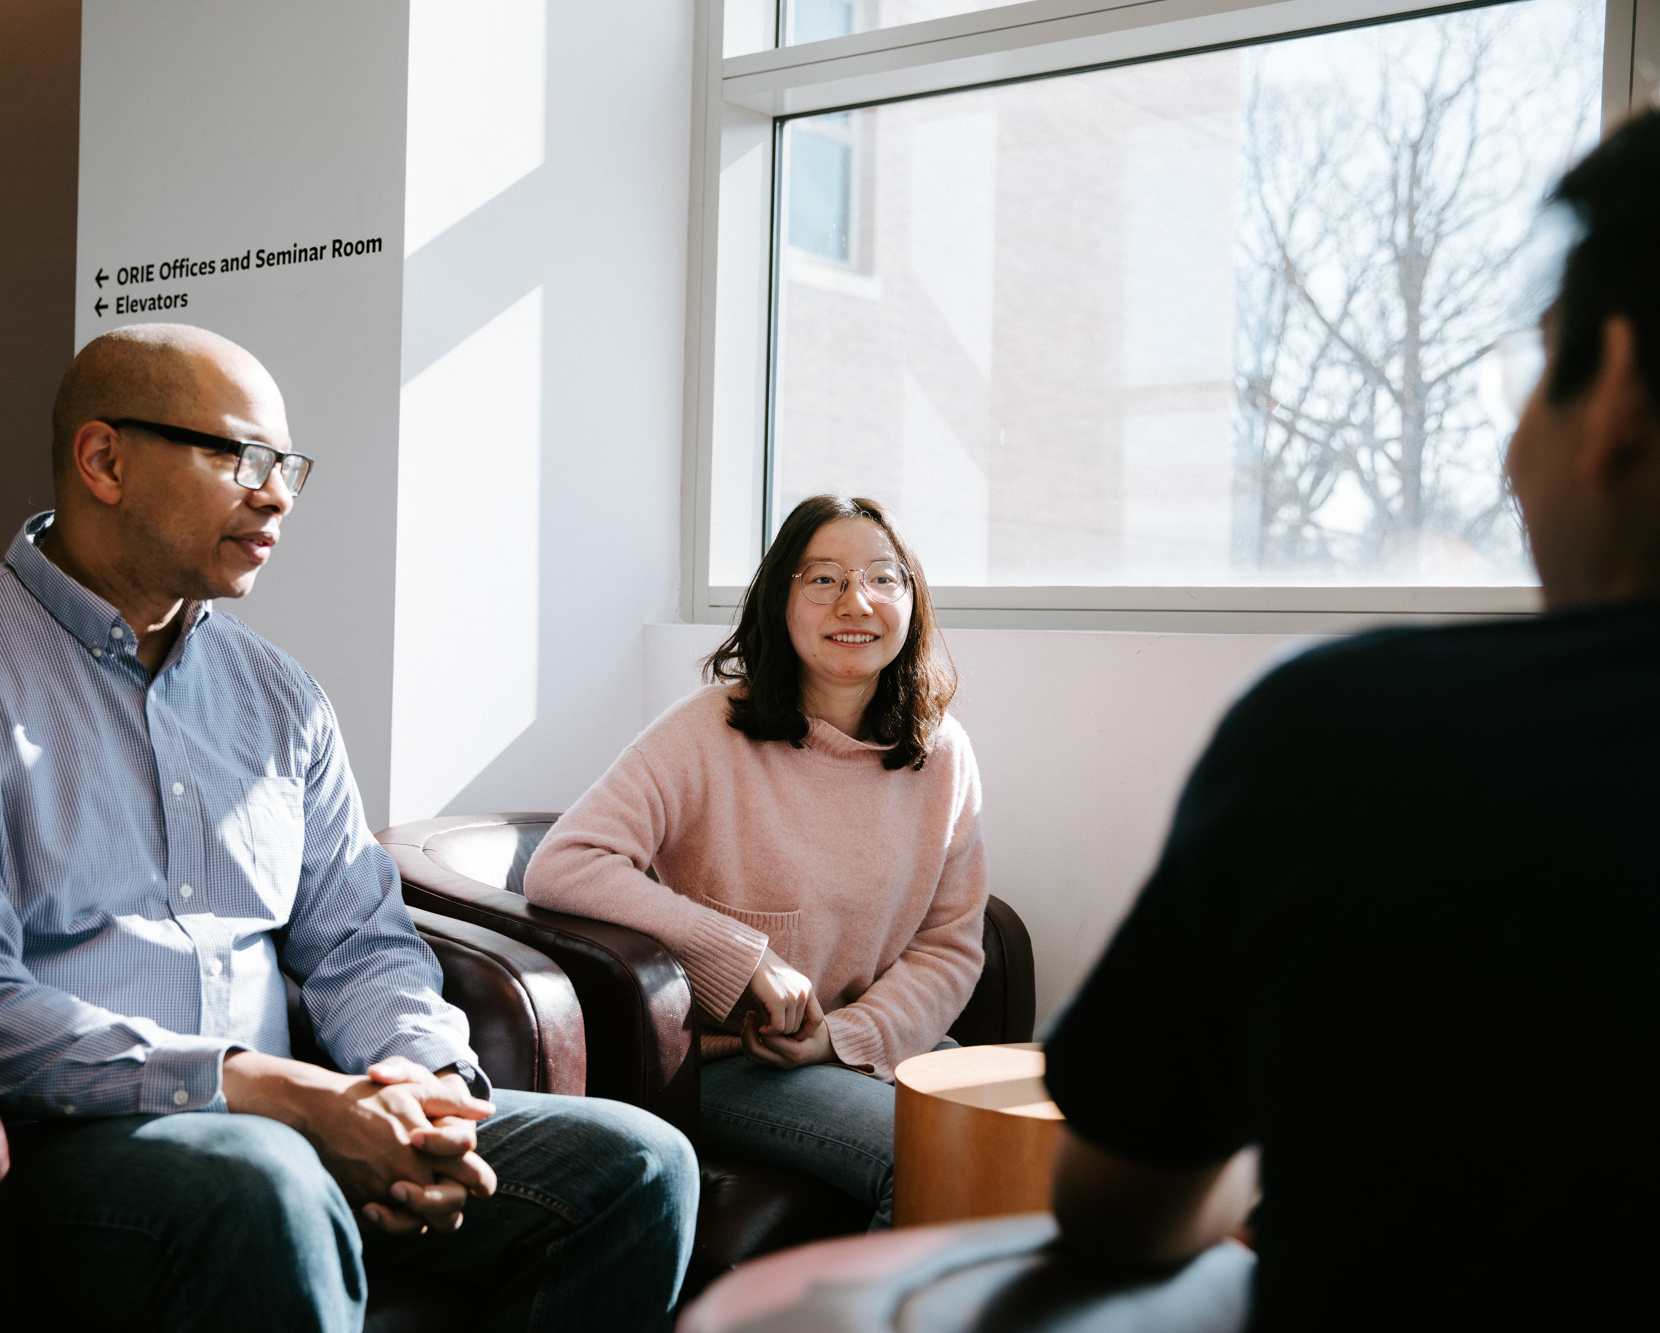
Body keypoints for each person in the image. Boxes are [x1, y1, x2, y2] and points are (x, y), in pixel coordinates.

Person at [0, 324, 697, 1332]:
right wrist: (276, 1095)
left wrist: (424, 1085)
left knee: (634, 1163)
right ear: (103, 459)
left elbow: (361, 940)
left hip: (296, 1130)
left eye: (285, 467)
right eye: (235, 456)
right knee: (260, 1175)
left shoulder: (278, 694)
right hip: (61, 1149)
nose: (272, 495)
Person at [1043, 108, 1660, 1329]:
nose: (1503, 461)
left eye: (1539, 366)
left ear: (1618, 387)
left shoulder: (1342, 736)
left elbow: (1116, 1200)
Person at [525, 495, 989, 1229]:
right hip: (732, 1061)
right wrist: (748, 961)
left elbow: (950, 943)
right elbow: (566, 862)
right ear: (781, 601)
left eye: (882, 577)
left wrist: (843, 1036)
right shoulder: (708, 730)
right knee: (944, 1157)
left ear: (912, 599)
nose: (856, 601)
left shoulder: (942, 753)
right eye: (824, 579)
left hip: (863, 1044)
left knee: (1039, 1138)